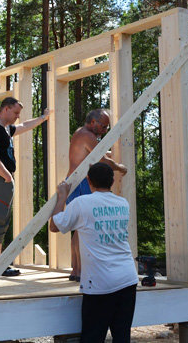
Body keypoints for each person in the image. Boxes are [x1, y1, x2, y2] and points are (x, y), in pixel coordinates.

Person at [49, 163, 138, 342]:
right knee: (122, 336)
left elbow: (54, 226)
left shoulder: (82, 203)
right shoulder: (123, 203)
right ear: (112, 181)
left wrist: (62, 197)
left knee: (92, 337)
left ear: (88, 180)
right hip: (128, 279)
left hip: (100, 283)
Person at [0, 97, 50, 276]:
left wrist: (43, 118)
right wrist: (7, 177)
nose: (18, 117)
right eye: (16, 113)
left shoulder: (5, 129)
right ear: (5, 109)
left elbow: (24, 126)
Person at [66, 109, 128, 281]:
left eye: (107, 127)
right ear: (93, 122)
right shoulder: (88, 135)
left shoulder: (81, 133)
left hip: (74, 182)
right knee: (83, 228)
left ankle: (76, 270)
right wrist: (119, 167)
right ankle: (78, 271)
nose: (104, 130)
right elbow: (101, 159)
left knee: (79, 229)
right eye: (103, 126)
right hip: (80, 183)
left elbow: (93, 154)